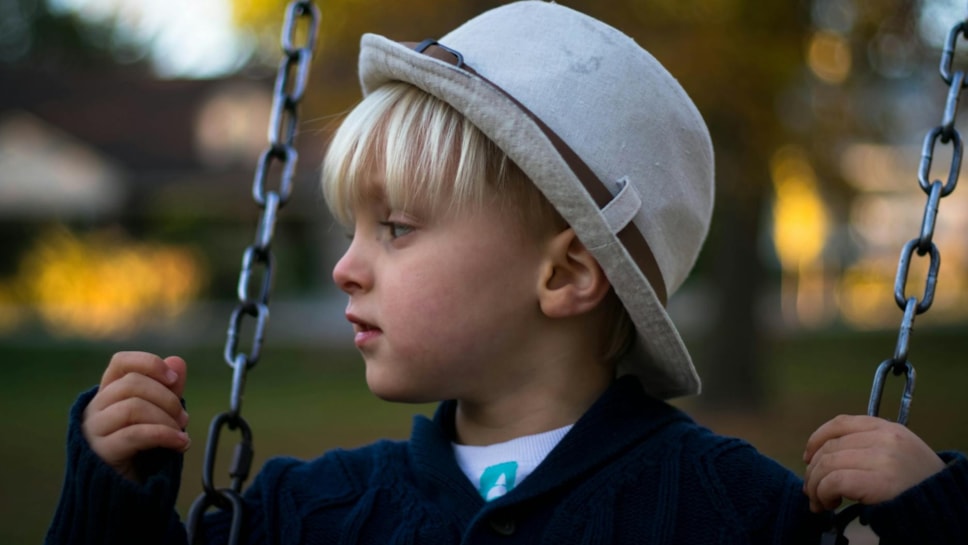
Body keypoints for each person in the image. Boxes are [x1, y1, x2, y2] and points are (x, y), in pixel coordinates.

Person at [47, 2, 968, 544]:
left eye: (397, 228)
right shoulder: (307, 512)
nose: (345, 266)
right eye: (355, 226)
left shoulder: (731, 513)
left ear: (567, 273)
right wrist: (109, 500)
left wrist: (936, 515)